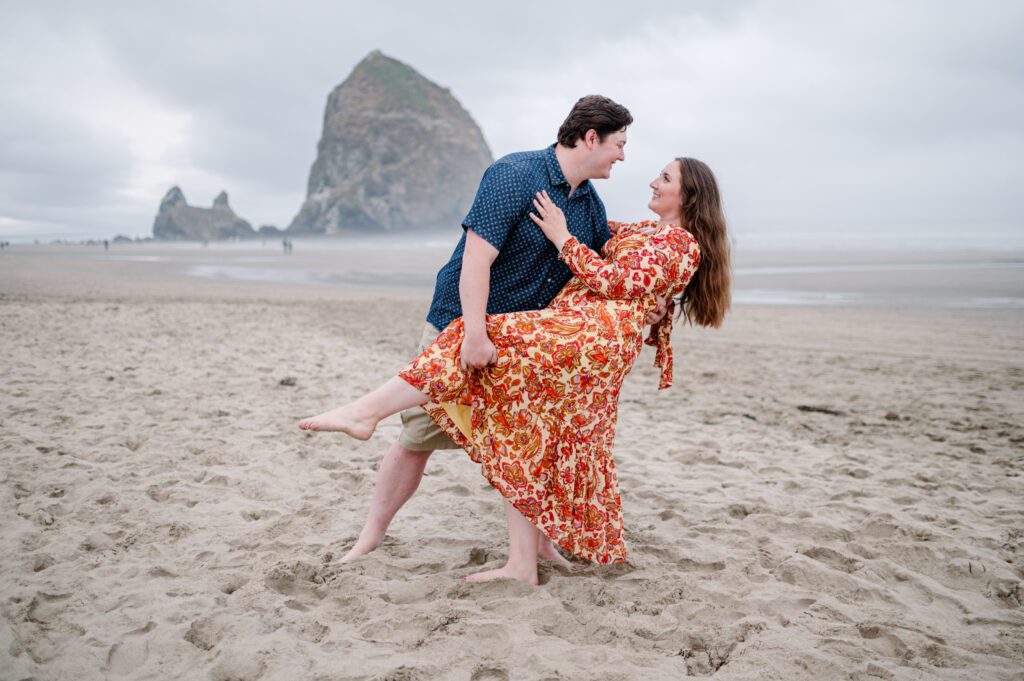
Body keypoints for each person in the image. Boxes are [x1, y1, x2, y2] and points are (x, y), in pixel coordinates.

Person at [300, 158, 732, 585]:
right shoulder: (644, 230)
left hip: (589, 339)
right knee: (526, 429)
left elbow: (615, 281)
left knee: (468, 339)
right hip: (578, 330)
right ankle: (526, 559)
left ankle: (364, 413)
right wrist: (650, 297)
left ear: (689, 194)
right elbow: (616, 256)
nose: (653, 180)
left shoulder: (683, 243)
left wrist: (564, 237)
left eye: (666, 177)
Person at [319, 95, 634, 567]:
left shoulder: (588, 204)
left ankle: (540, 547)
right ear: (591, 138)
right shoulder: (514, 175)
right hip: (461, 324)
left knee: (533, 445)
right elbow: (475, 259)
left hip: (519, 343)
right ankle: (370, 536)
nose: (623, 156)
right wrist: (472, 335)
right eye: (619, 144)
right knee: (417, 438)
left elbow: (593, 272)